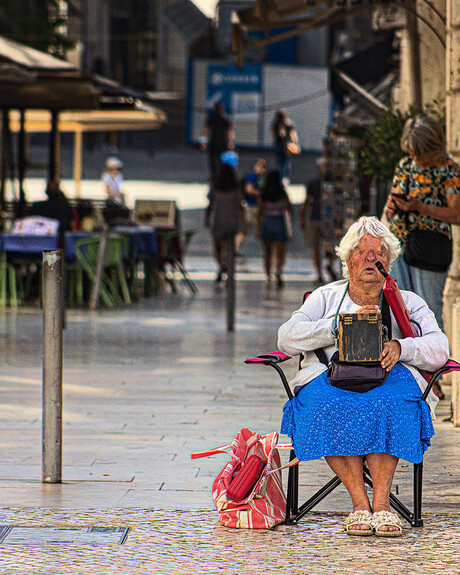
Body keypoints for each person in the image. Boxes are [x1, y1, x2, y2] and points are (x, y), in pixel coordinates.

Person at [278, 216, 449, 537]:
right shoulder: (325, 297)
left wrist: (402, 347)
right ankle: (359, 503)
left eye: (378, 252)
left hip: (392, 377)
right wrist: (337, 325)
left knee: (391, 404)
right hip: (330, 375)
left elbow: (441, 347)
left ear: (389, 261)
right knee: (326, 405)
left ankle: (382, 505)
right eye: (361, 251)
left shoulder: (407, 302)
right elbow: (286, 338)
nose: (371, 258)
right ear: (346, 259)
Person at [384, 115, 460, 399]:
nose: (413, 155)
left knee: (428, 315)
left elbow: (456, 213)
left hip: (431, 251)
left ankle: (433, 380)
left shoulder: (449, 171)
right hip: (401, 247)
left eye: (418, 150)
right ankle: (410, 377)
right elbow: (392, 202)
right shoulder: (405, 165)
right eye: (411, 150)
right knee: (398, 312)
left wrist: (419, 207)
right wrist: (393, 206)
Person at [205, 162, 247, 282]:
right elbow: (240, 206)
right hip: (232, 219)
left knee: (218, 246)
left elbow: (210, 204)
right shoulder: (235, 188)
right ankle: (228, 264)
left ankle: (221, 264)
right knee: (230, 246)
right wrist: (244, 222)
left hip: (219, 218)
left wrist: (207, 218)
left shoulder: (215, 186)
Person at [300, 158, 338, 283]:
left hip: (318, 217)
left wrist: (303, 217)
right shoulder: (330, 182)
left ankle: (321, 271)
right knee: (325, 245)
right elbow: (307, 201)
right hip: (324, 218)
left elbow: (306, 202)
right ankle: (326, 266)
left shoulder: (315, 182)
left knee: (318, 246)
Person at [257, 170, 292, 288]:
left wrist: (258, 228)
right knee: (280, 251)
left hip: (267, 222)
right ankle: (278, 271)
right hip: (279, 221)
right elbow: (289, 208)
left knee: (267, 251)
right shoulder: (282, 193)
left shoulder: (264, 193)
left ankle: (268, 274)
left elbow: (260, 212)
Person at [235, 158, 267, 254]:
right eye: (260, 167)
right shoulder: (252, 177)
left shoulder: (259, 179)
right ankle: (235, 248)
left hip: (256, 205)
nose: (261, 169)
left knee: (255, 228)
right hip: (250, 205)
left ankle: (235, 248)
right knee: (245, 229)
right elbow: (248, 189)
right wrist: (258, 193)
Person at [201, 102, 235, 181]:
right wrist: (230, 142)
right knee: (220, 160)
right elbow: (230, 132)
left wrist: (203, 141)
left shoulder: (214, 118)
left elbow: (205, 130)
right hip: (221, 143)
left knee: (213, 160)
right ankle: (218, 175)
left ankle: (215, 175)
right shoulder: (224, 119)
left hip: (215, 143)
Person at [271, 109, 298, 183]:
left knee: (283, 162)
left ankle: (283, 177)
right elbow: (293, 134)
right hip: (284, 145)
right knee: (284, 162)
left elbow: (272, 133)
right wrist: (295, 143)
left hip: (283, 145)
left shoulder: (283, 124)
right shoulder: (284, 124)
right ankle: (283, 177)